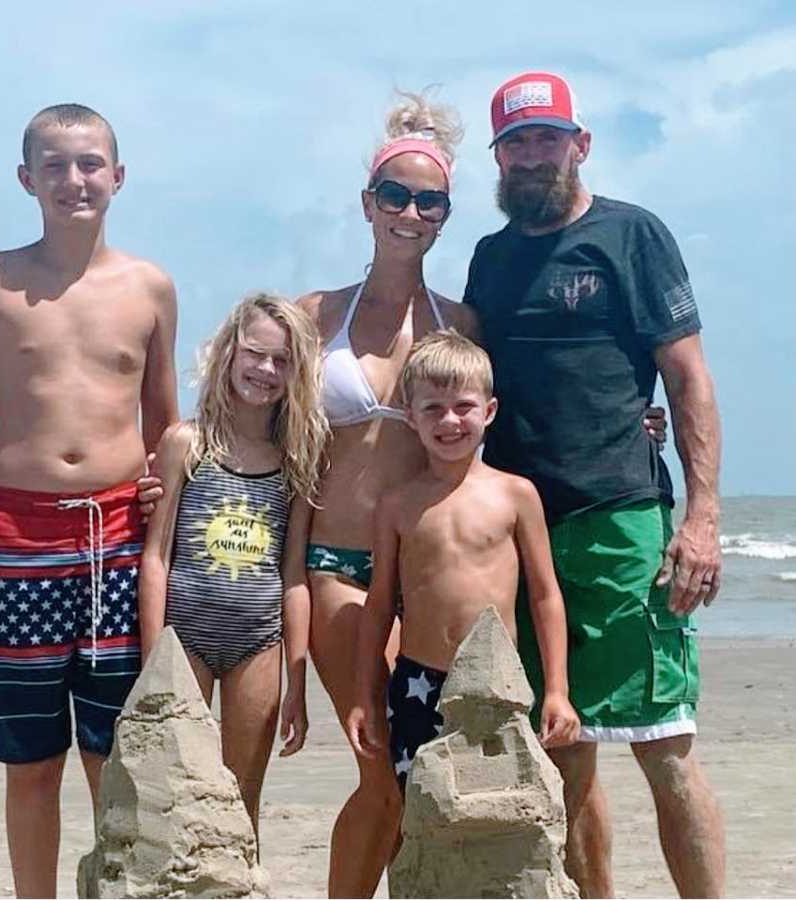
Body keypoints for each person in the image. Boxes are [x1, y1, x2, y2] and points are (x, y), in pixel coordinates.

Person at [0, 104, 179, 899]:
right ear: (28, 179)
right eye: (55, 166)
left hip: (118, 540)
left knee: (113, 749)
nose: (74, 180)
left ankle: (111, 888)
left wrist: (170, 518)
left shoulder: (149, 286)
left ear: (118, 177)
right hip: (13, 540)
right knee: (31, 760)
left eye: (90, 163)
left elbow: (166, 422)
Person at [463, 71, 724, 898]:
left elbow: (687, 381)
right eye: (516, 143)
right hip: (519, 530)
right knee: (559, 744)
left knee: (665, 743)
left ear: (580, 144)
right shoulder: (491, 258)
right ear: (498, 158)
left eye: (547, 138)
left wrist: (703, 518)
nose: (532, 156)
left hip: (620, 520)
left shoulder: (632, 235)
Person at [296, 92, 479, 898]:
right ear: (368, 204)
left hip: (423, 575)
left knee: (422, 771)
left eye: (427, 199)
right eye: (395, 196)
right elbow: (254, 419)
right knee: (382, 774)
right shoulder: (315, 316)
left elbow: (485, 424)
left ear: (444, 213)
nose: (410, 211)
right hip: (337, 567)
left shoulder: (460, 321)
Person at [346, 330, 580, 788]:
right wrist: (364, 697)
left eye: (463, 406)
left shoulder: (516, 495)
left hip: (495, 683)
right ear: (410, 418)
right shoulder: (396, 505)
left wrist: (557, 689)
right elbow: (379, 605)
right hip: (416, 683)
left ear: (489, 411)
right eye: (432, 407)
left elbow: (546, 596)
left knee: (495, 807)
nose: (449, 420)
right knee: (422, 810)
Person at [137, 292, 327, 848]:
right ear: (228, 352)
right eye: (255, 353)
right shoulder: (186, 443)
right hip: (184, 640)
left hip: (257, 643)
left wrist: (298, 678)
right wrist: (156, 659)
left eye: (282, 360)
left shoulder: (299, 456)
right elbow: (157, 556)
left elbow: (294, 574)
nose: (266, 370)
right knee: (178, 788)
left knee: (242, 798)